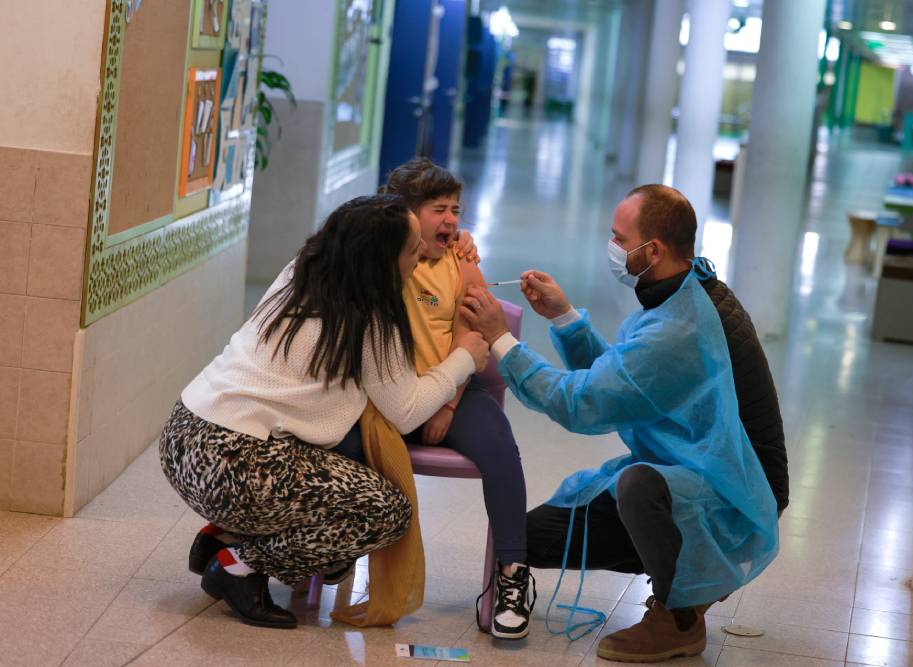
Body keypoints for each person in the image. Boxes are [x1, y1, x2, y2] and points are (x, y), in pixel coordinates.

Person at [459, 185, 781, 662]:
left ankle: (680, 614)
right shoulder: (680, 290)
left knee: (638, 486)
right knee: (526, 537)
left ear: (652, 250)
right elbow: (627, 378)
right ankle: (679, 570)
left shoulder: (678, 327)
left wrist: (499, 339)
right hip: (688, 467)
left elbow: (581, 403)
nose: (611, 247)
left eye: (618, 238)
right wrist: (564, 317)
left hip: (727, 488)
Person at [158, 195, 489, 629]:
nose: (420, 258)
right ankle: (238, 565)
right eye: (412, 251)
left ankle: (222, 535)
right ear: (382, 260)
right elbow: (406, 411)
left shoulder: (306, 267)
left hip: (183, 437)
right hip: (235, 465)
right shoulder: (372, 316)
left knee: (337, 476)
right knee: (386, 512)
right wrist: (463, 358)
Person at [381, 158, 534, 639]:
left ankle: (511, 575)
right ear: (405, 212)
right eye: (438, 209)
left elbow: (474, 338)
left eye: (456, 211)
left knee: (502, 450)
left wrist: (447, 404)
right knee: (328, 438)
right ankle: (318, 549)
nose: (451, 220)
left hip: (452, 391)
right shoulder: (379, 254)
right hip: (385, 394)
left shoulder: (461, 265)